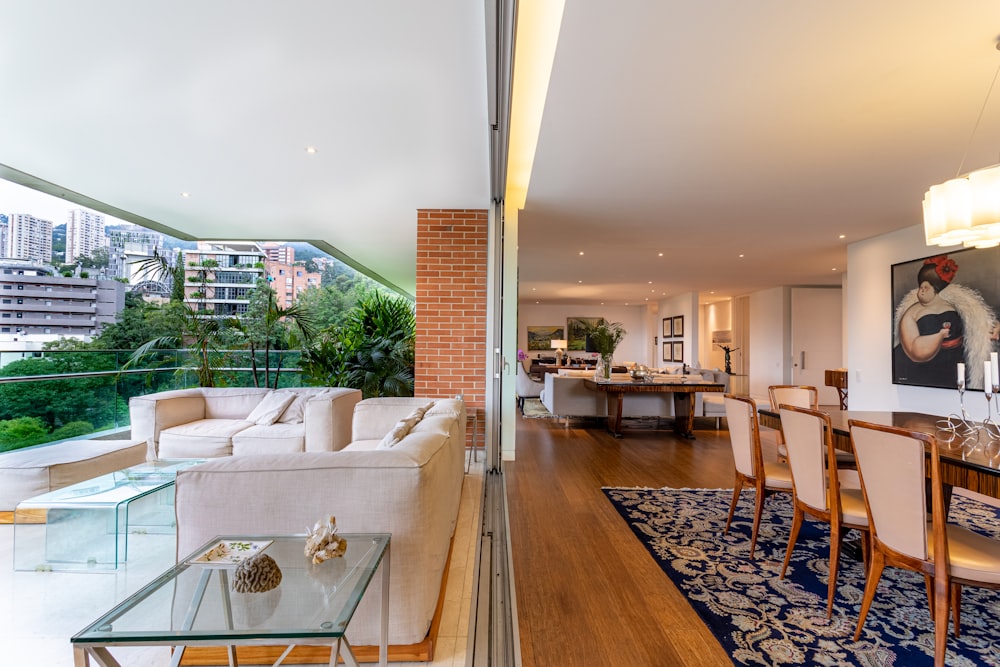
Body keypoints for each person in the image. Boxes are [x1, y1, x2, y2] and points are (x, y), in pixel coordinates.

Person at [894, 255, 998, 388]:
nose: (922, 290)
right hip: (923, 368)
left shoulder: (958, 306)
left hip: (955, 362)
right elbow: (917, 351)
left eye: (926, 287)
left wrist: (993, 327)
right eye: (922, 287)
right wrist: (939, 336)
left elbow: (977, 324)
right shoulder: (911, 313)